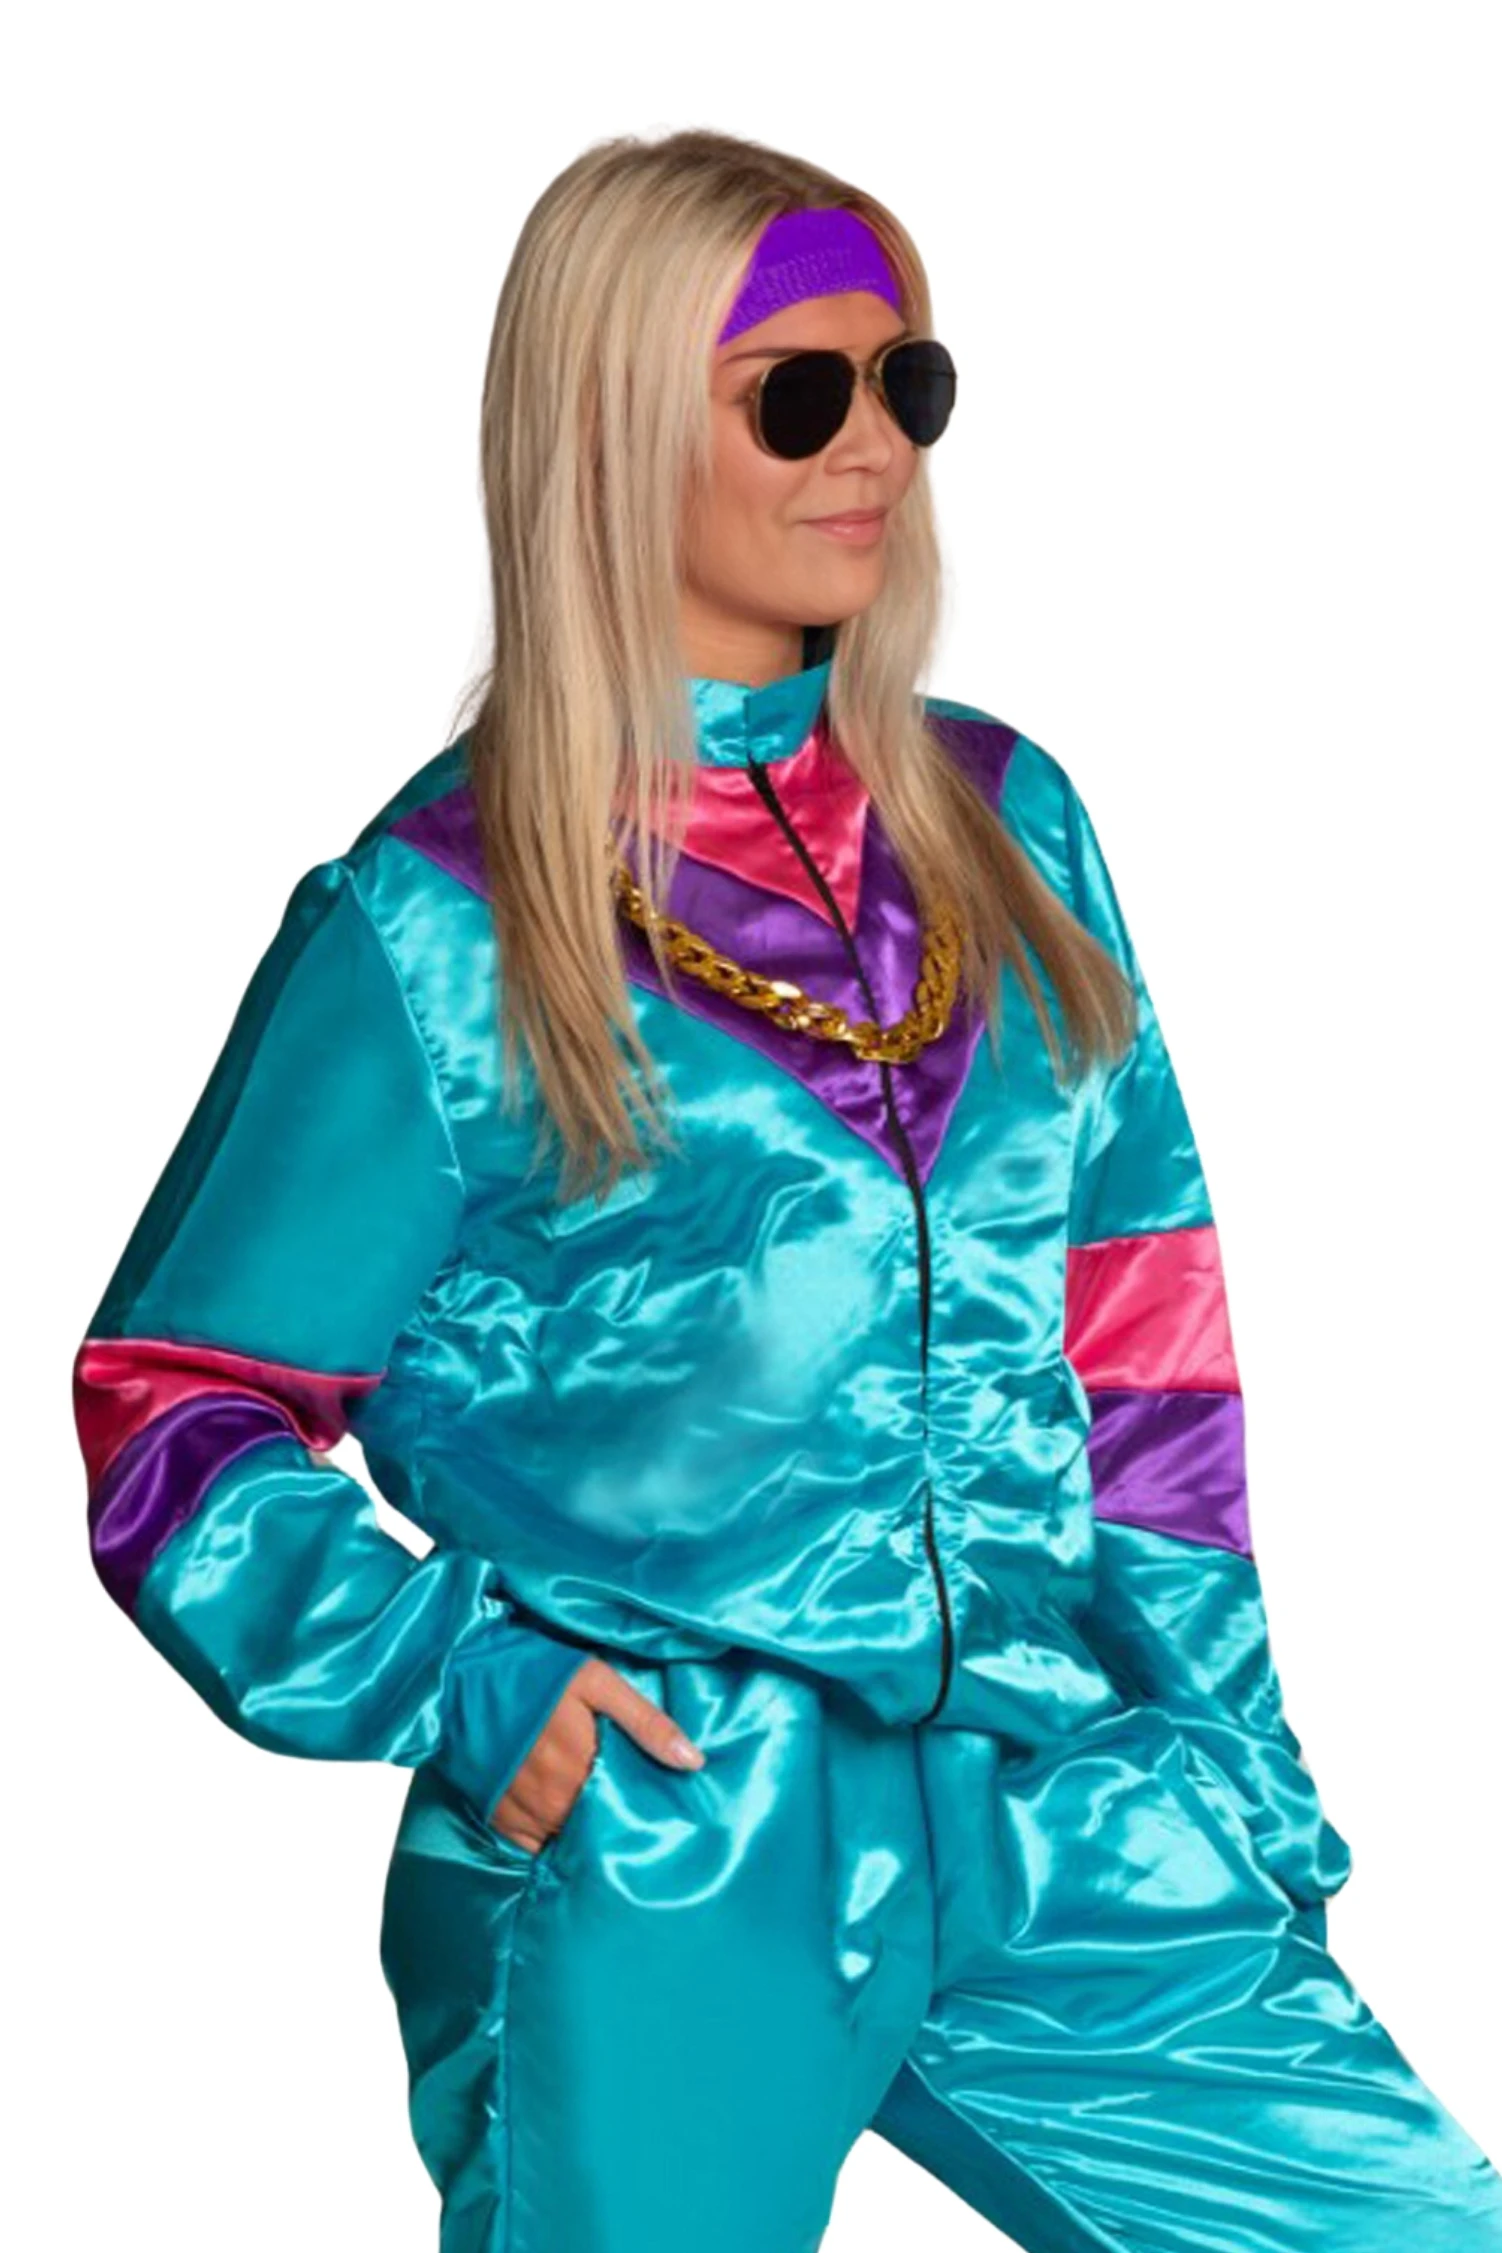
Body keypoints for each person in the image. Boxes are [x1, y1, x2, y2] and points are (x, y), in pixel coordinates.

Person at [71, 127, 1501, 2253]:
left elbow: (1140, 1349)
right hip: (668, 1832)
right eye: (799, 395)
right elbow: (176, 1401)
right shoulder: (440, 923)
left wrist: (1225, 1758)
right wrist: (463, 1680)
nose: (875, 450)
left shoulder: (1009, 822)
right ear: (613, 429)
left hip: (1055, 1789)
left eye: (906, 384)